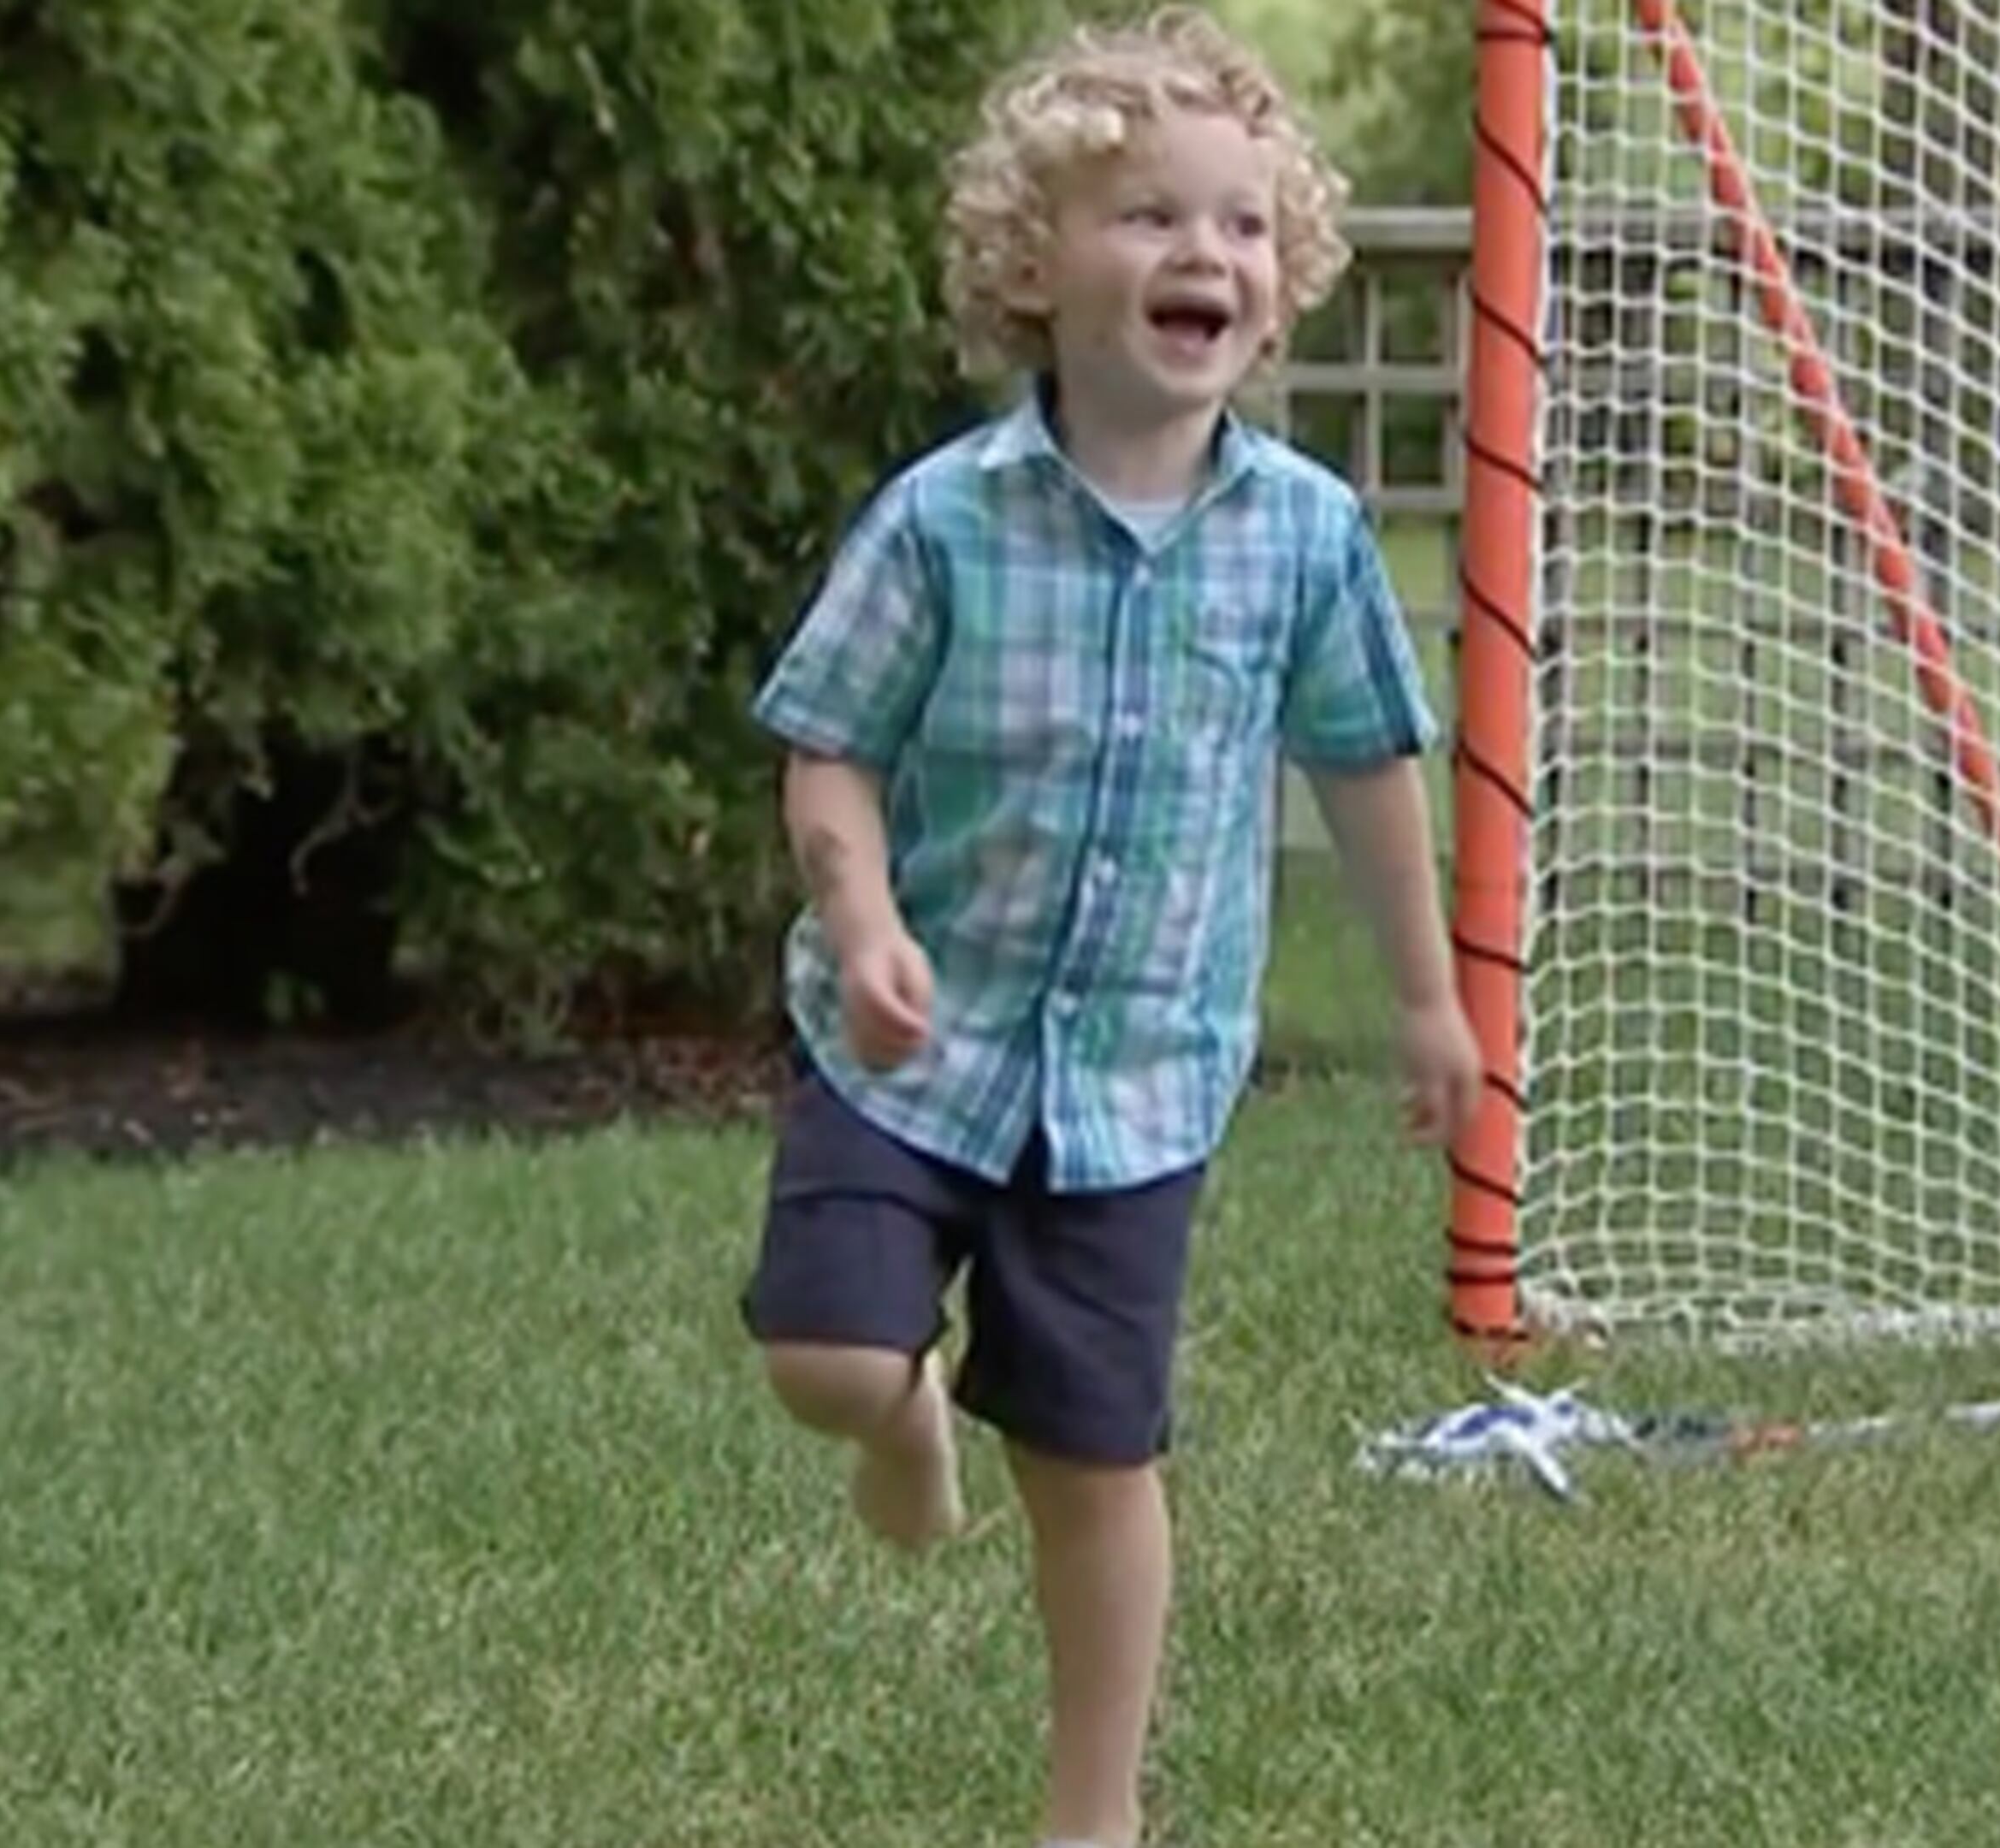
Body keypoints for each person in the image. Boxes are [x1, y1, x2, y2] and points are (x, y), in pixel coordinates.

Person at [736, 9, 1482, 1845]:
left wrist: (1428, 1001)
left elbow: (1368, 765)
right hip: (914, 1042)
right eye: (1146, 216)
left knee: (1095, 1458)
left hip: (1138, 1083)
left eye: (1238, 226)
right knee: (824, 1359)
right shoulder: (943, 524)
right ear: (1035, 265)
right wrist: (867, 912)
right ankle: (903, 1412)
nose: (1198, 255)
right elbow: (826, 746)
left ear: (1280, 279)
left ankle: (1097, 1813)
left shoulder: (1303, 541)